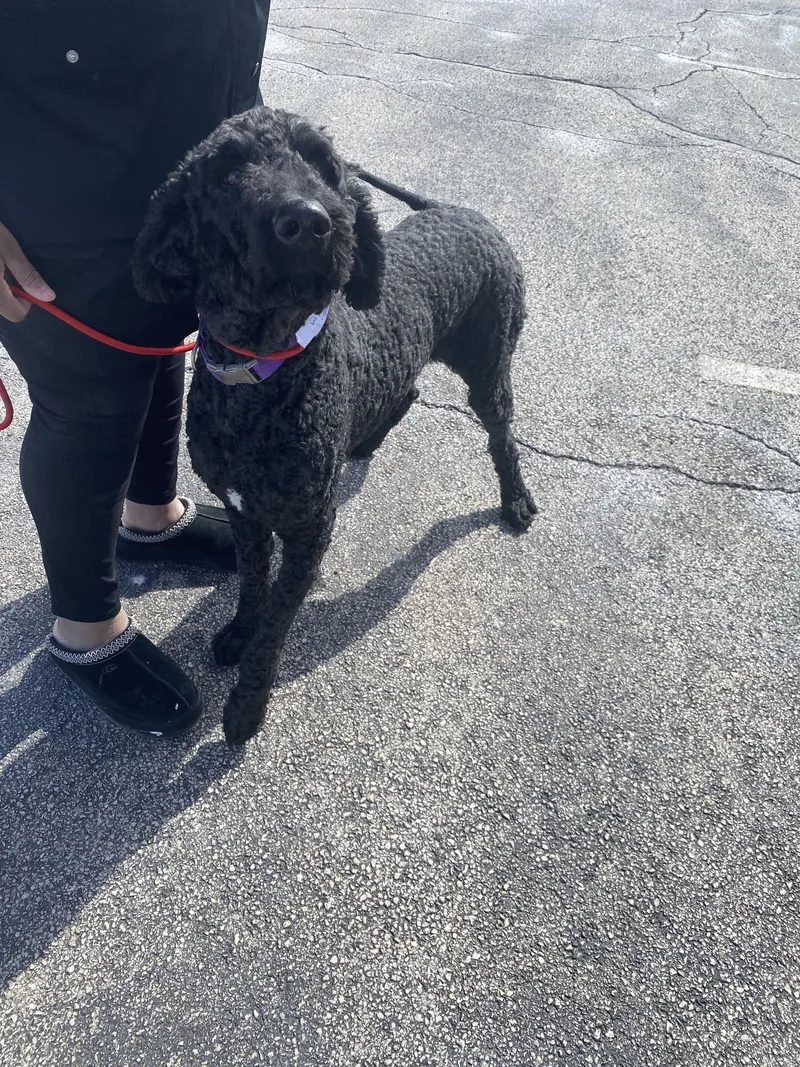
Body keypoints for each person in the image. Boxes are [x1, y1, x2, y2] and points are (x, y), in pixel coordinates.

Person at [0, 2, 270, 736]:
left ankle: (148, 519)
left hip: (184, 133)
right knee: (89, 399)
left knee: (159, 337)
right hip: (53, 156)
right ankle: (83, 628)